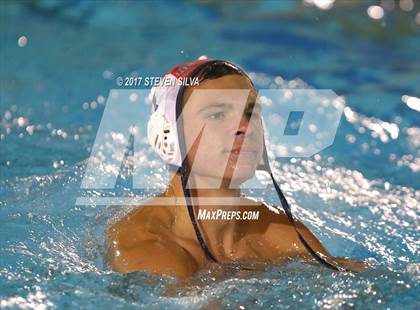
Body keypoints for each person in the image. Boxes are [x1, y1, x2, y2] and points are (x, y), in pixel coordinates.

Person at [106, 58, 368, 278]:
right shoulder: (143, 247)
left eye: (251, 112)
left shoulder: (279, 232)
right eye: (217, 114)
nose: (245, 126)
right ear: (169, 136)